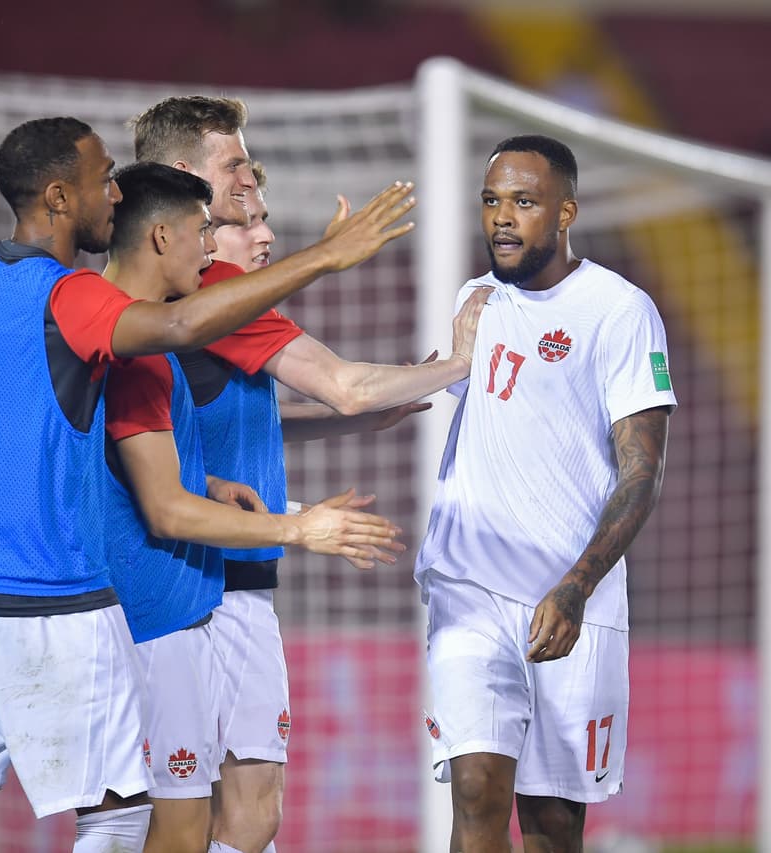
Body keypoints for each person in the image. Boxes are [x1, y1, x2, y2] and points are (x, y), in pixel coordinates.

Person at [0, 115, 415, 853]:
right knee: (122, 814)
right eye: (101, 178)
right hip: (49, 598)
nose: (114, 193)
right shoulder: (72, 297)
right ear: (58, 197)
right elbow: (180, 327)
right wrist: (323, 258)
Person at [130, 97, 490, 853]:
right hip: (196, 577)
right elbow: (346, 382)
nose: (261, 228)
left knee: (245, 814)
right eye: (236, 182)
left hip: (241, 576)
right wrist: (459, 363)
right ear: (184, 182)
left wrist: (358, 418)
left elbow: (246, 421)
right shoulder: (201, 294)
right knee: (174, 816)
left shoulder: (201, 305)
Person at [98, 161, 405, 853]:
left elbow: (162, 467)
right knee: (139, 817)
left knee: (225, 815)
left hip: (203, 586)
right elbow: (165, 508)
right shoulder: (133, 330)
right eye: (223, 223)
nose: (225, 242)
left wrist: (222, 490)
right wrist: (299, 525)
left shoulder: (160, 339)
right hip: (157, 596)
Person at [413, 135, 677, 853]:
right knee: (475, 789)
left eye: (523, 202)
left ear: (566, 213)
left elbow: (640, 471)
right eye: (492, 201)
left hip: (571, 601)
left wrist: (577, 585)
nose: (502, 218)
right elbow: (434, 393)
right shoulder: (475, 301)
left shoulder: (618, 310)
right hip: (469, 585)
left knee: (554, 823)